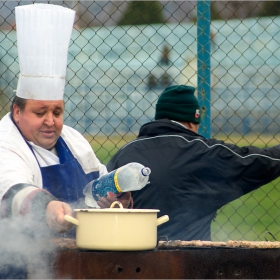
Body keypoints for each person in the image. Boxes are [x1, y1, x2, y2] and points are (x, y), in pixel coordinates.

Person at [0, 4, 131, 235]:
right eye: (40, 113)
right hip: (20, 264)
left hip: (78, 261)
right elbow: (11, 191)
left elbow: (98, 185)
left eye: (57, 112)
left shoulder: (74, 140)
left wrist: (115, 198)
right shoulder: (5, 143)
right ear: (17, 111)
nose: (51, 121)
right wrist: (46, 207)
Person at [107, 84, 280, 241]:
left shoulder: (123, 154)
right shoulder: (202, 151)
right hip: (190, 264)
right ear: (192, 121)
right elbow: (263, 161)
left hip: (131, 262)